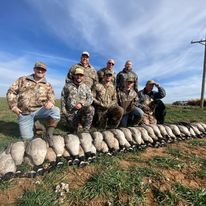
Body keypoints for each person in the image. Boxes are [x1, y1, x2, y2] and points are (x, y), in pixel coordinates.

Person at [6, 61, 60, 140]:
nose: (40, 71)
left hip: (40, 110)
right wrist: (13, 106)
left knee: (56, 110)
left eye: (43, 69)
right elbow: (11, 92)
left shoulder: (48, 85)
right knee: (27, 139)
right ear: (34, 69)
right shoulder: (23, 80)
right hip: (24, 113)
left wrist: (51, 102)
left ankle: (49, 135)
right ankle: (35, 125)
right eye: (38, 68)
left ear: (45, 72)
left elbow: (52, 96)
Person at [61, 67, 94, 133]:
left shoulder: (86, 87)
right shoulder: (67, 86)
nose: (79, 77)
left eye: (81, 75)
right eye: (77, 75)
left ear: (83, 77)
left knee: (91, 109)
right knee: (73, 131)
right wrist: (65, 112)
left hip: (81, 111)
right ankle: (74, 124)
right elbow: (63, 99)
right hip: (71, 112)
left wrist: (82, 103)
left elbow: (90, 98)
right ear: (74, 75)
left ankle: (86, 130)